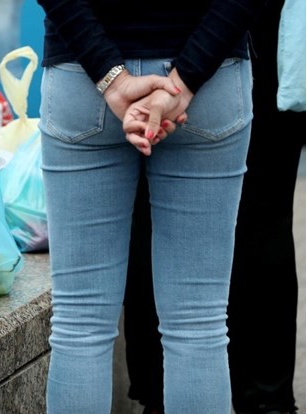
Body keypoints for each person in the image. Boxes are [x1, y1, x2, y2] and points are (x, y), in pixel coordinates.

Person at [36, 0, 264, 412]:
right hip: (209, 81)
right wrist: (186, 79)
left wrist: (113, 79)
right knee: (199, 326)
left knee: (79, 325)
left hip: (81, 76)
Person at [123, 0, 306, 412]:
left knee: (152, 204)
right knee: (265, 212)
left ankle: (163, 391)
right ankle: (262, 396)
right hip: (253, 25)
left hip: (172, 30)